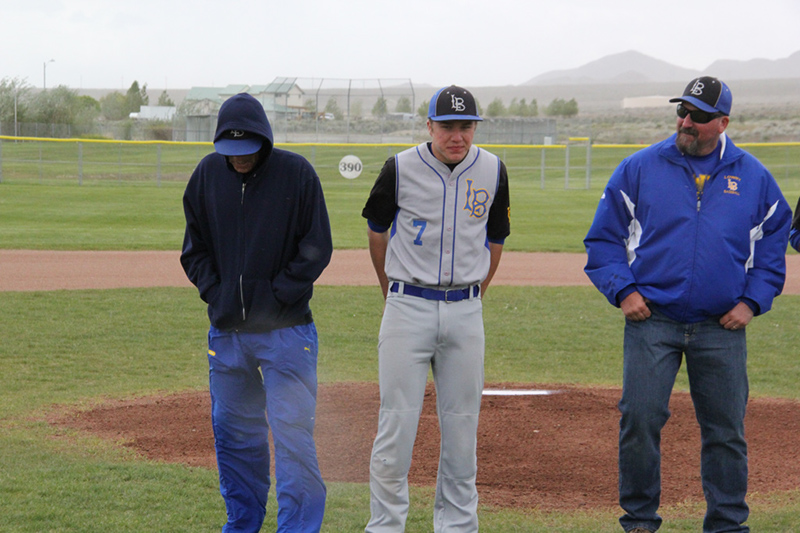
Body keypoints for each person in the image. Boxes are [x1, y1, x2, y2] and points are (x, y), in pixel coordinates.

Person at [584, 76, 792, 533]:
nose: (685, 121)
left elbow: (773, 243)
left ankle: (727, 524)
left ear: (722, 122)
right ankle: (639, 521)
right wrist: (624, 290)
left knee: (725, 431)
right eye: (682, 111)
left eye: (697, 115)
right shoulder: (639, 167)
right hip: (651, 319)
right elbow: (603, 240)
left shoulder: (753, 176)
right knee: (639, 420)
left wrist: (753, 302)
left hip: (721, 326)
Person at [180, 93, 332, 533]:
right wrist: (218, 295)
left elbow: (316, 247)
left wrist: (277, 296)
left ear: (264, 140)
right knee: (234, 437)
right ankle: (241, 525)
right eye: (230, 153)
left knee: (292, 440)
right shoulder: (207, 175)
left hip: (287, 334)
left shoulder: (296, 173)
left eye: (247, 151)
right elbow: (195, 250)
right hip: (227, 335)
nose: (239, 160)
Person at [361, 85, 510, 532]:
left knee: (462, 432)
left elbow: (496, 238)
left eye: (466, 126)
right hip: (408, 305)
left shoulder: (492, 169)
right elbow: (376, 229)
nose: (457, 135)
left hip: (465, 310)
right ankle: (385, 526)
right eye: (447, 125)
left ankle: (457, 527)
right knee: (396, 427)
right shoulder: (400, 167)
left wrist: (476, 293)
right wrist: (391, 289)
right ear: (429, 126)